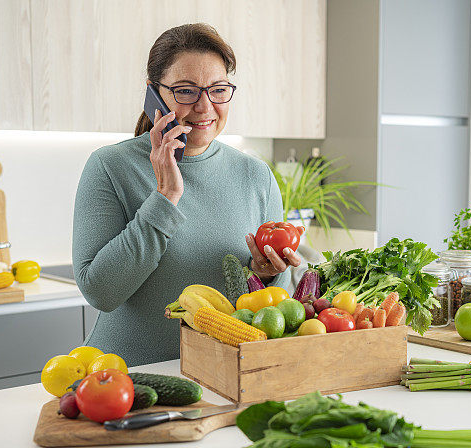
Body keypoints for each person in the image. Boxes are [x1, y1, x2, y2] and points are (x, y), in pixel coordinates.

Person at [73, 23, 302, 365]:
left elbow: (268, 306)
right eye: (186, 91)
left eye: (218, 89)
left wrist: (265, 272)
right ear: (154, 94)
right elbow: (101, 292)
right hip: (126, 379)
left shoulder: (256, 176)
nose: (205, 106)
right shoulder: (110, 166)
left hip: (225, 375)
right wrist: (165, 197)